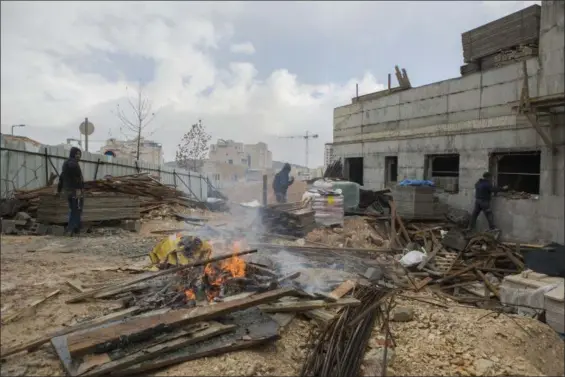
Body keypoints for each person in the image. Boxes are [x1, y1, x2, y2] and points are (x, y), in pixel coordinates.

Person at [56, 147, 84, 236]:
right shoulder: (74, 164)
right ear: (73, 154)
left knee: (74, 209)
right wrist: (79, 189)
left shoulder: (65, 164)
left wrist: (59, 190)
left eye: (79, 154)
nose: (78, 156)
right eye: (77, 154)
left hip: (67, 191)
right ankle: (70, 229)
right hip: (75, 191)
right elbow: (78, 179)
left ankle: (77, 229)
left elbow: (61, 178)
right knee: (76, 210)